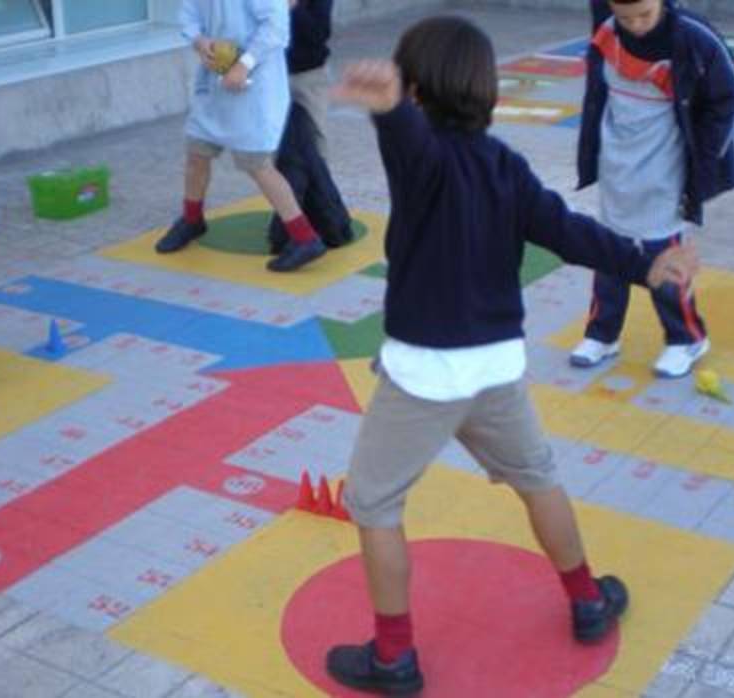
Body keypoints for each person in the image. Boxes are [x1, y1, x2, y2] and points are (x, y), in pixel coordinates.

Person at [324, 16, 700, 694]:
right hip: (496, 368)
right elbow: (570, 232)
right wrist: (646, 264)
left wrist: (387, 113)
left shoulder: (423, 158)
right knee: (538, 477)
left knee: (374, 504)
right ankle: (588, 600)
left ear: (414, 89)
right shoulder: (505, 167)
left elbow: (415, 149)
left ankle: (394, 657)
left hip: (427, 377)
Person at [568, 0, 734, 379]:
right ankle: (603, 333)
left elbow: (730, 98)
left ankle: (686, 338)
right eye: (625, 17)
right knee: (608, 251)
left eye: (645, 15)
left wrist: (704, 167)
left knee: (661, 254)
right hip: (618, 168)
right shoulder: (608, 28)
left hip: (668, 171)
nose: (636, 26)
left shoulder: (694, 36)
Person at [155, 0, 327, 272]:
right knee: (197, 153)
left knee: (258, 165)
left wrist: (244, 64)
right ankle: (192, 220)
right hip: (216, 81)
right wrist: (200, 41)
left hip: (256, 82)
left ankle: (305, 238)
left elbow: (276, 25)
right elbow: (189, 15)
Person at [267, 0, 355, 254]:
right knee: (276, 148)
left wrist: (292, 6)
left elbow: (318, 34)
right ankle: (289, 214)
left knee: (315, 146)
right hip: (271, 73)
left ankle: (322, 212)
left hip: (309, 75)